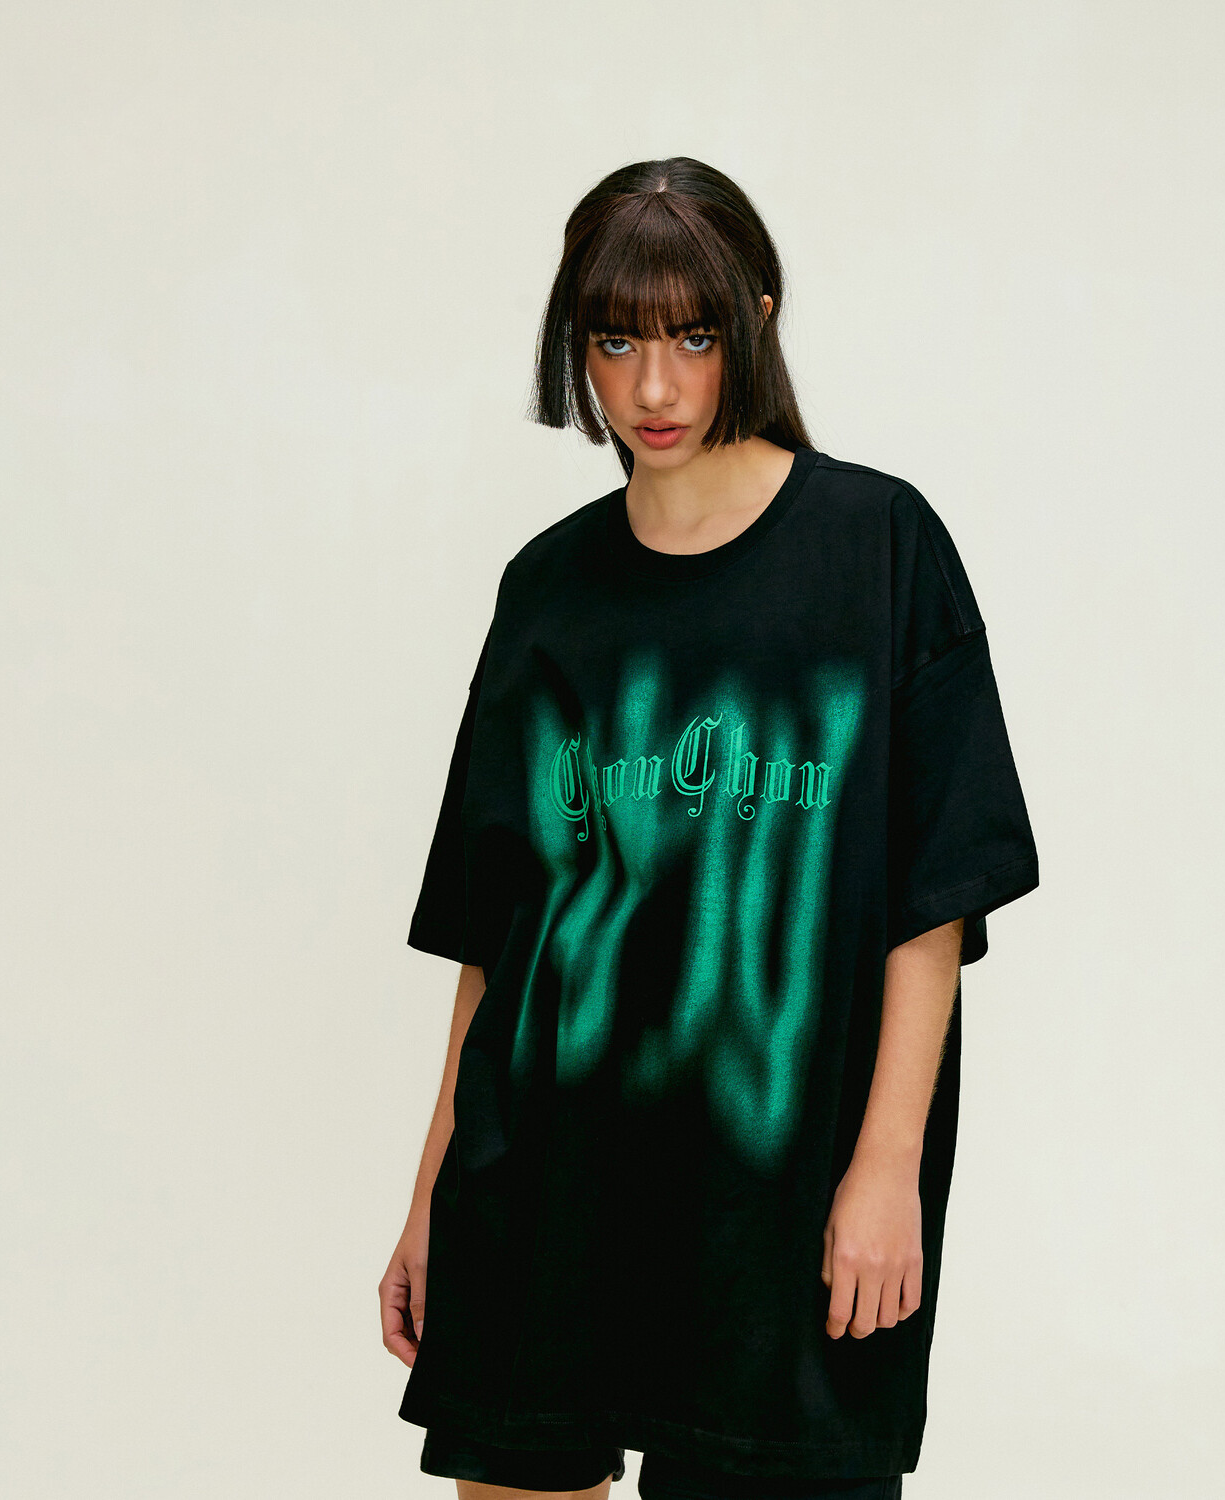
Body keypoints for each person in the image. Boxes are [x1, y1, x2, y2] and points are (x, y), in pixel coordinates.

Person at [378, 157, 1039, 1500]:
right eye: (616, 342)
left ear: (757, 319)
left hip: (775, 1207)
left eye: (691, 335)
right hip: (545, 1188)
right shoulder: (549, 590)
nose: (655, 388)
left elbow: (933, 902)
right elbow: (498, 931)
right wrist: (432, 1192)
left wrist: (888, 1171)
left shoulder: (878, 550)